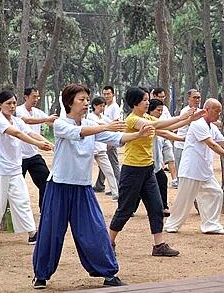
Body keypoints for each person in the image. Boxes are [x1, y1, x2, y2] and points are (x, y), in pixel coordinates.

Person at [32, 84, 152, 289]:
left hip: (82, 188)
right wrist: (105, 126)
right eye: (82, 99)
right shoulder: (60, 124)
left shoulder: (92, 124)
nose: (87, 102)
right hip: (59, 186)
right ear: (69, 102)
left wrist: (138, 135)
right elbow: (79, 132)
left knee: (95, 230)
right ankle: (41, 275)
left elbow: (117, 138)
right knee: (51, 232)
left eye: (88, 99)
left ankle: (107, 272)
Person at [108, 87, 206, 257]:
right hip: (132, 170)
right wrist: (183, 116)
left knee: (156, 207)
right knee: (125, 209)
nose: (148, 103)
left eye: (147, 99)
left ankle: (158, 245)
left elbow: (163, 128)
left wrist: (189, 119)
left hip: (148, 170)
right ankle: (108, 242)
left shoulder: (146, 117)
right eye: (144, 100)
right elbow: (155, 124)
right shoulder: (133, 120)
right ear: (135, 103)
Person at [164, 98, 224, 234]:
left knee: (216, 193)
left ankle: (211, 225)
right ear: (206, 110)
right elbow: (212, 144)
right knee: (184, 200)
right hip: (191, 169)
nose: (218, 114)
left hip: (204, 170)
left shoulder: (212, 127)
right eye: (216, 110)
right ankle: (171, 225)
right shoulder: (198, 124)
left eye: (220, 111)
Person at [0, 90, 53, 244]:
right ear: (0, 105)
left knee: (22, 200)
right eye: (8, 103)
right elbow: (17, 134)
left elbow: (30, 132)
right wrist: (38, 144)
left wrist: (49, 144)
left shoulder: (18, 120)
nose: (12, 106)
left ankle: (32, 233)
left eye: (14, 103)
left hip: (14, 169)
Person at [16, 87, 58, 211]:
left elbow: (52, 122)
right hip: (19, 157)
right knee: (16, 187)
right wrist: (47, 119)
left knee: (46, 180)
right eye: (34, 96)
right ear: (26, 97)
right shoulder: (18, 111)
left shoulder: (38, 112)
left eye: (38, 96)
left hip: (33, 155)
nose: (36, 99)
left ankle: (44, 209)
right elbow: (28, 121)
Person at [148, 98, 184, 216]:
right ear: (150, 110)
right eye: (158, 110)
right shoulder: (147, 122)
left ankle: (163, 207)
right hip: (144, 164)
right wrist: (184, 120)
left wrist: (188, 119)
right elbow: (165, 130)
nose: (160, 113)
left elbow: (168, 128)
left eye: (161, 111)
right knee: (137, 189)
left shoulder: (158, 122)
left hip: (156, 165)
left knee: (162, 180)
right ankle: (128, 208)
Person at [87, 96, 118, 201]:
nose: (102, 108)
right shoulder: (90, 117)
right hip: (90, 149)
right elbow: (101, 125)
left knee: (109, 171)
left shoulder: (103, 117)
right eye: (100, 106)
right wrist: (110, 126)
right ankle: (87, 193)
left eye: (103, 106)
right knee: (87, 172)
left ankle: (115, 193)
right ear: (95, 106)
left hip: (101, 149)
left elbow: (111, 124)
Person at [171, 89, 202, 188]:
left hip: (193, 148)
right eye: (194, 97)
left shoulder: (200, 111)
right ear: (188, 99)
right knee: (182, 174)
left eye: (198, 97)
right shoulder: (186, 111)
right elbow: (194, 123)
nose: (197, 100)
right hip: (181, 147)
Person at [94, 85, 122, 193]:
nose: (106, 96)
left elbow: (116, 122)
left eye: (108, 94)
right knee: (104, 162)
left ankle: (119, 187)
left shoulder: (114, 107)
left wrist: (111, 140)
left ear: (113, 95)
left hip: (110, 139)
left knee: (113, 163)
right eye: (104, 94)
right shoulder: (105, 107)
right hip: (103, 140)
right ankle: (99, 184)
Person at [151, 88, 178, 188]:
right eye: (160, 96)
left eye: (163, 97)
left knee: (170, 158)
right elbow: (163, 128)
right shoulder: (149, 119)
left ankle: (174, 179)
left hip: (165, 137)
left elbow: (169, 124)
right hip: (158, 137)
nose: (160, 112)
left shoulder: (165, 109)